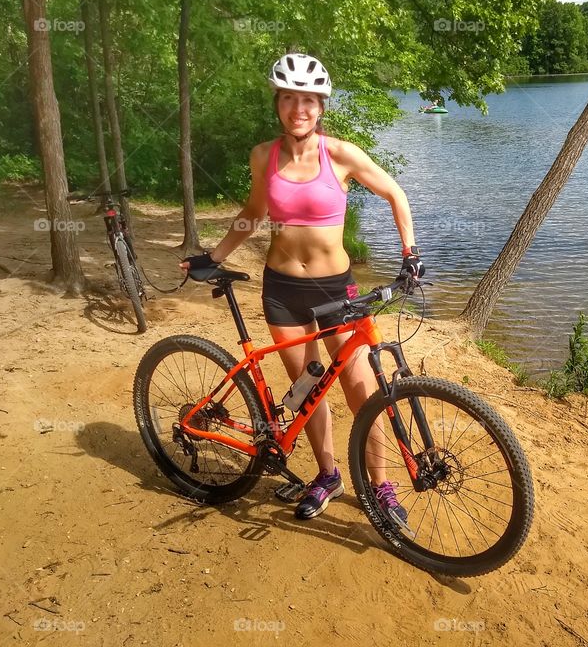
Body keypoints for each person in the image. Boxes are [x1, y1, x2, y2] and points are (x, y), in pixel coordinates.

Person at [181, 53, 424, 524]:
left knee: (362, 391)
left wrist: (409, 252)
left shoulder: (341, 154)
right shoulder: (263, 156)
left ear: (321, 106)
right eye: (290, 98)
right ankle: (327, 474)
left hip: (337, 289)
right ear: (278, 104)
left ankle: (380, 485)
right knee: (307, 388)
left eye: (309, 100)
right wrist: (215, 258)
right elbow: (253, 213)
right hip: (282, 291)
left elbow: (395, 194)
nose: (300, 108)